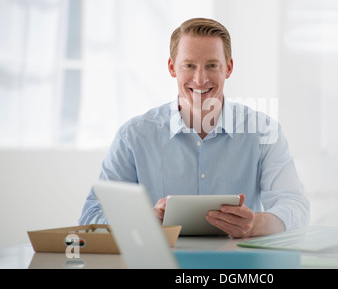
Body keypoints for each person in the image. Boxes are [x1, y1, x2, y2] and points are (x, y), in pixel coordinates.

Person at [79, 18, 309, 238]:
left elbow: (295, 207)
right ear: (172, 67)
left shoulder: (263, 132)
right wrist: (143, 220)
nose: (200, 79)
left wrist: (255, 224)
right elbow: (91, 216)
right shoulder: (134, 136)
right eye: (189, 65)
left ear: (228, 68)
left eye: (212, 65)